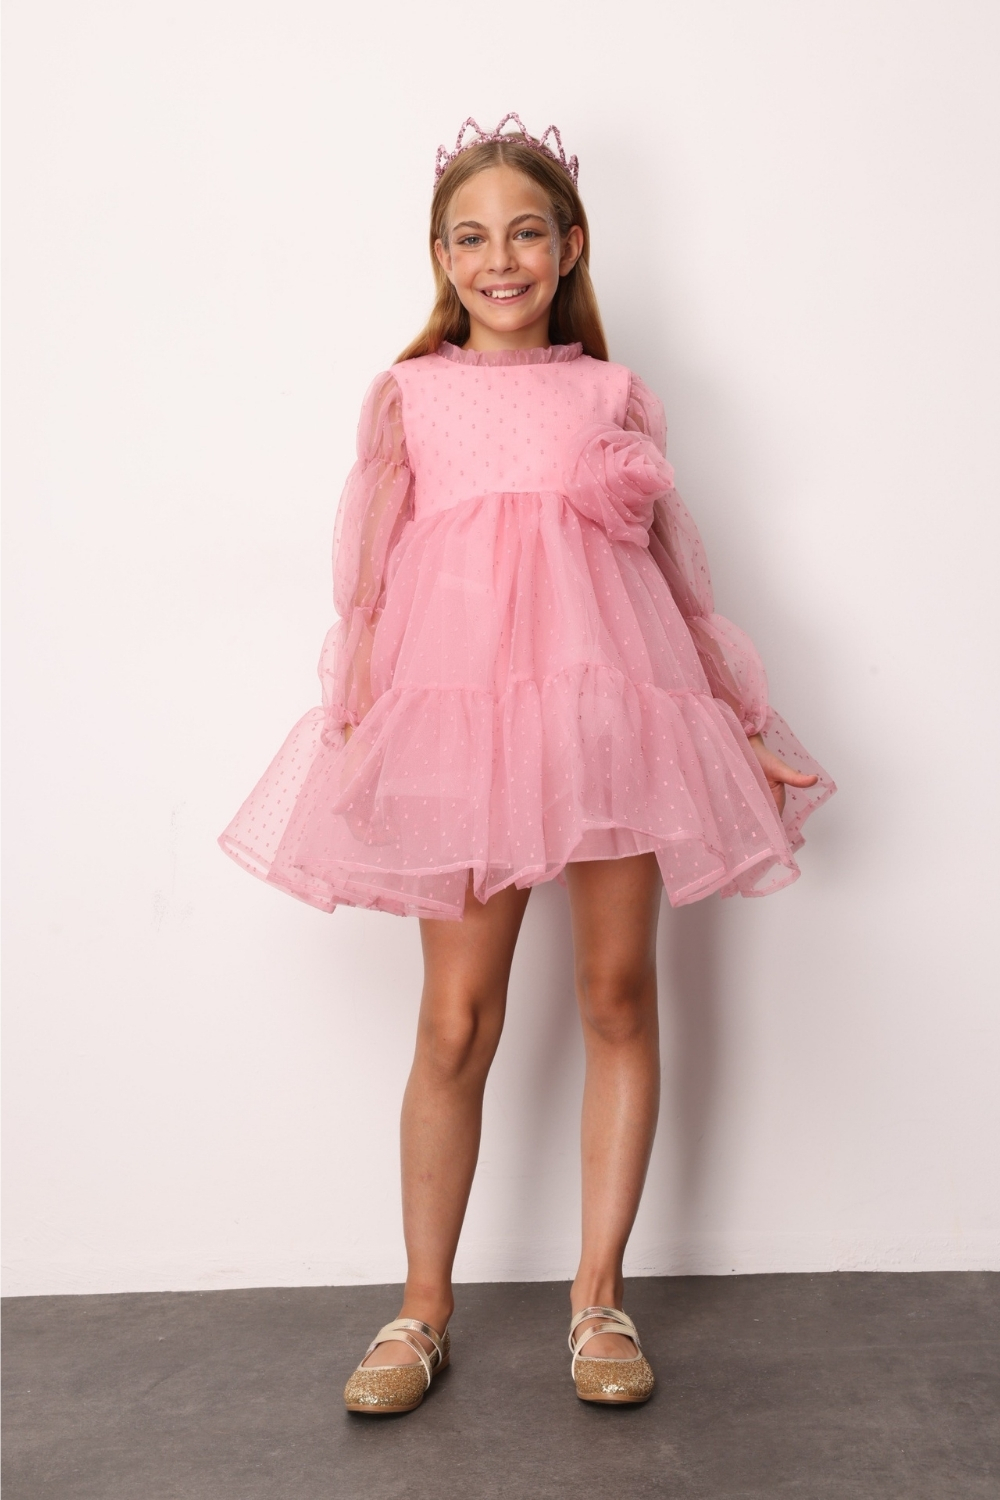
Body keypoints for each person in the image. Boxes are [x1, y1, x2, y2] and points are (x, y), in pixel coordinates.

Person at [219, 114, 835, 1413]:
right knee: (457, 1019)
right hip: (460, 731)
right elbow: (368, 581)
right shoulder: (412, 395)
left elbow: (675, 576)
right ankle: (420, 1311)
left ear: (570, 245)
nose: (498, 259)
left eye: (523, 233)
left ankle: (597, 1298)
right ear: (441, 258)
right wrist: (356, 724)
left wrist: (739, 718)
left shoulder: (615, 395)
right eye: (470, 238)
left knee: (617, 996)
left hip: (609, 724)